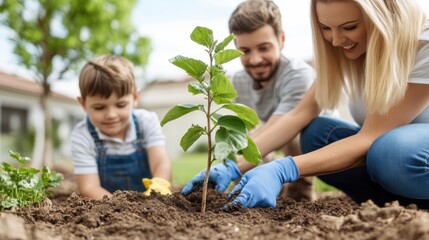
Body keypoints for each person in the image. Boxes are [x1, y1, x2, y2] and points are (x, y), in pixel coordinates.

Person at [221, 0, 429, 209]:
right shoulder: (351, 51)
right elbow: (298, 114)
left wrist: (282, 168)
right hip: (392, 162)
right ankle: (400, 205)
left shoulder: (423, 43)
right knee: (317, 134)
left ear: (381, 16)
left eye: (349, 27)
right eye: (326, 28)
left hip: (405, 154)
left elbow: (370, 135)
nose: (336, 40)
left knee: (391, 151)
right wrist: (232, 168)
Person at [182, 0, 326, 201]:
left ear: (281, 40)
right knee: (246, 137)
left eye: (264, 48)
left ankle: (300, 191)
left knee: (296, 136)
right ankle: (263, 191)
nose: (256, 59)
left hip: (318, 141)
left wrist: (233, 166)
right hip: (273, 134)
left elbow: (282, 127)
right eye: (245, 51)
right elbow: (253, 130)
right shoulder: (239, 81)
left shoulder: (297, 75)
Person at [71, 55, 172, 200]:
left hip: (151, 201)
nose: (111, 115)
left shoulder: (147, 122)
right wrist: (121, 207)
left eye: (121, 105)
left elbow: (161, 163)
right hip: (107, 205)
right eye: (99, 107)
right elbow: (89, 187)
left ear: (135, 98)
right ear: (83, 104)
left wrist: (159, 189)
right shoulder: (83, 135)